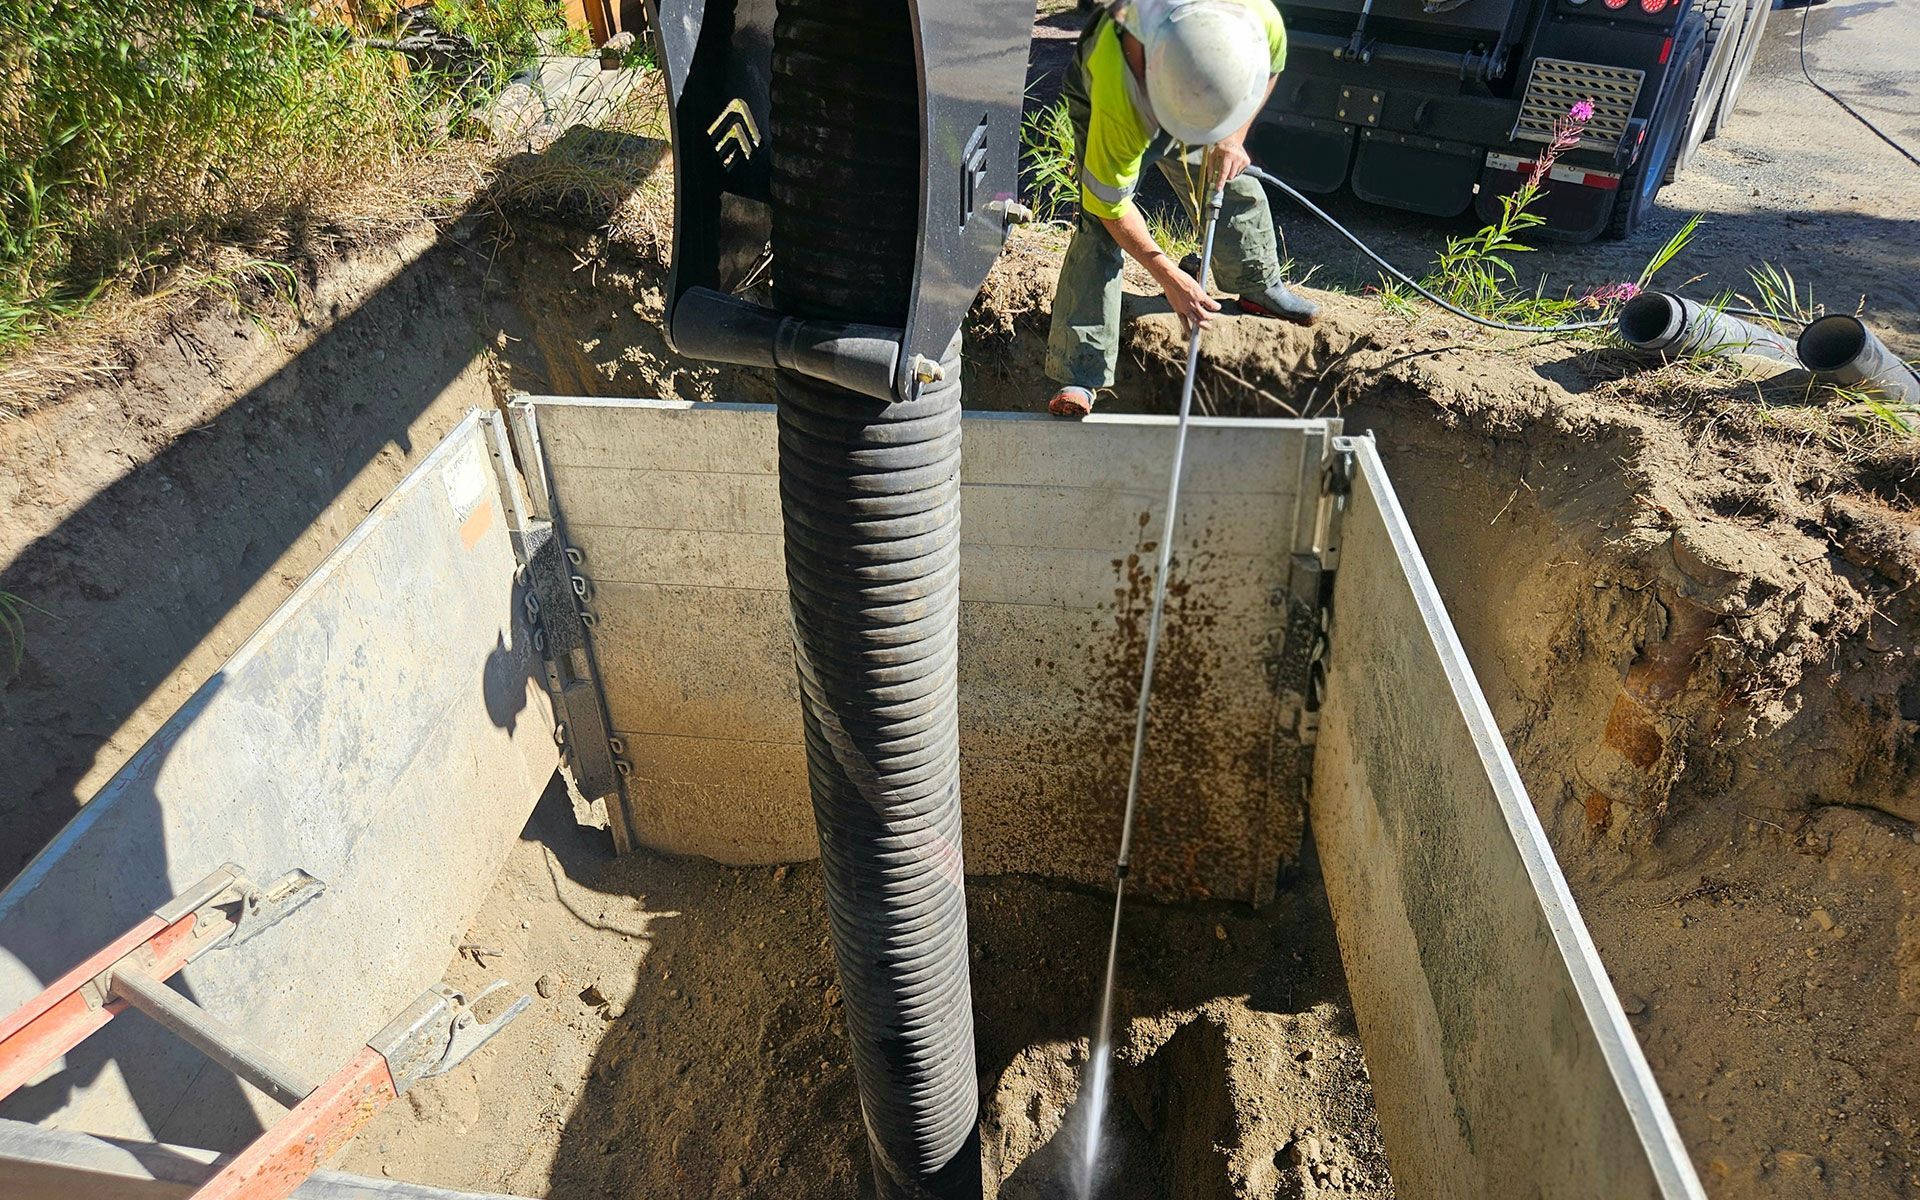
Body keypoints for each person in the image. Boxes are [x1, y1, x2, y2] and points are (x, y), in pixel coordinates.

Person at [1045, 0, 1320, 417]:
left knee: (1229, 177)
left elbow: (1274, 62)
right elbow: (1110, 208)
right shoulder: (1117, 88)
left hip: (1193, 83)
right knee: (1097, 229)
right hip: (1117, 92)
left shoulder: (1254, 18)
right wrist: (1170, 277)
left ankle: (1256, 283)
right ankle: (1080, 371)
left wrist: (1233, 135)